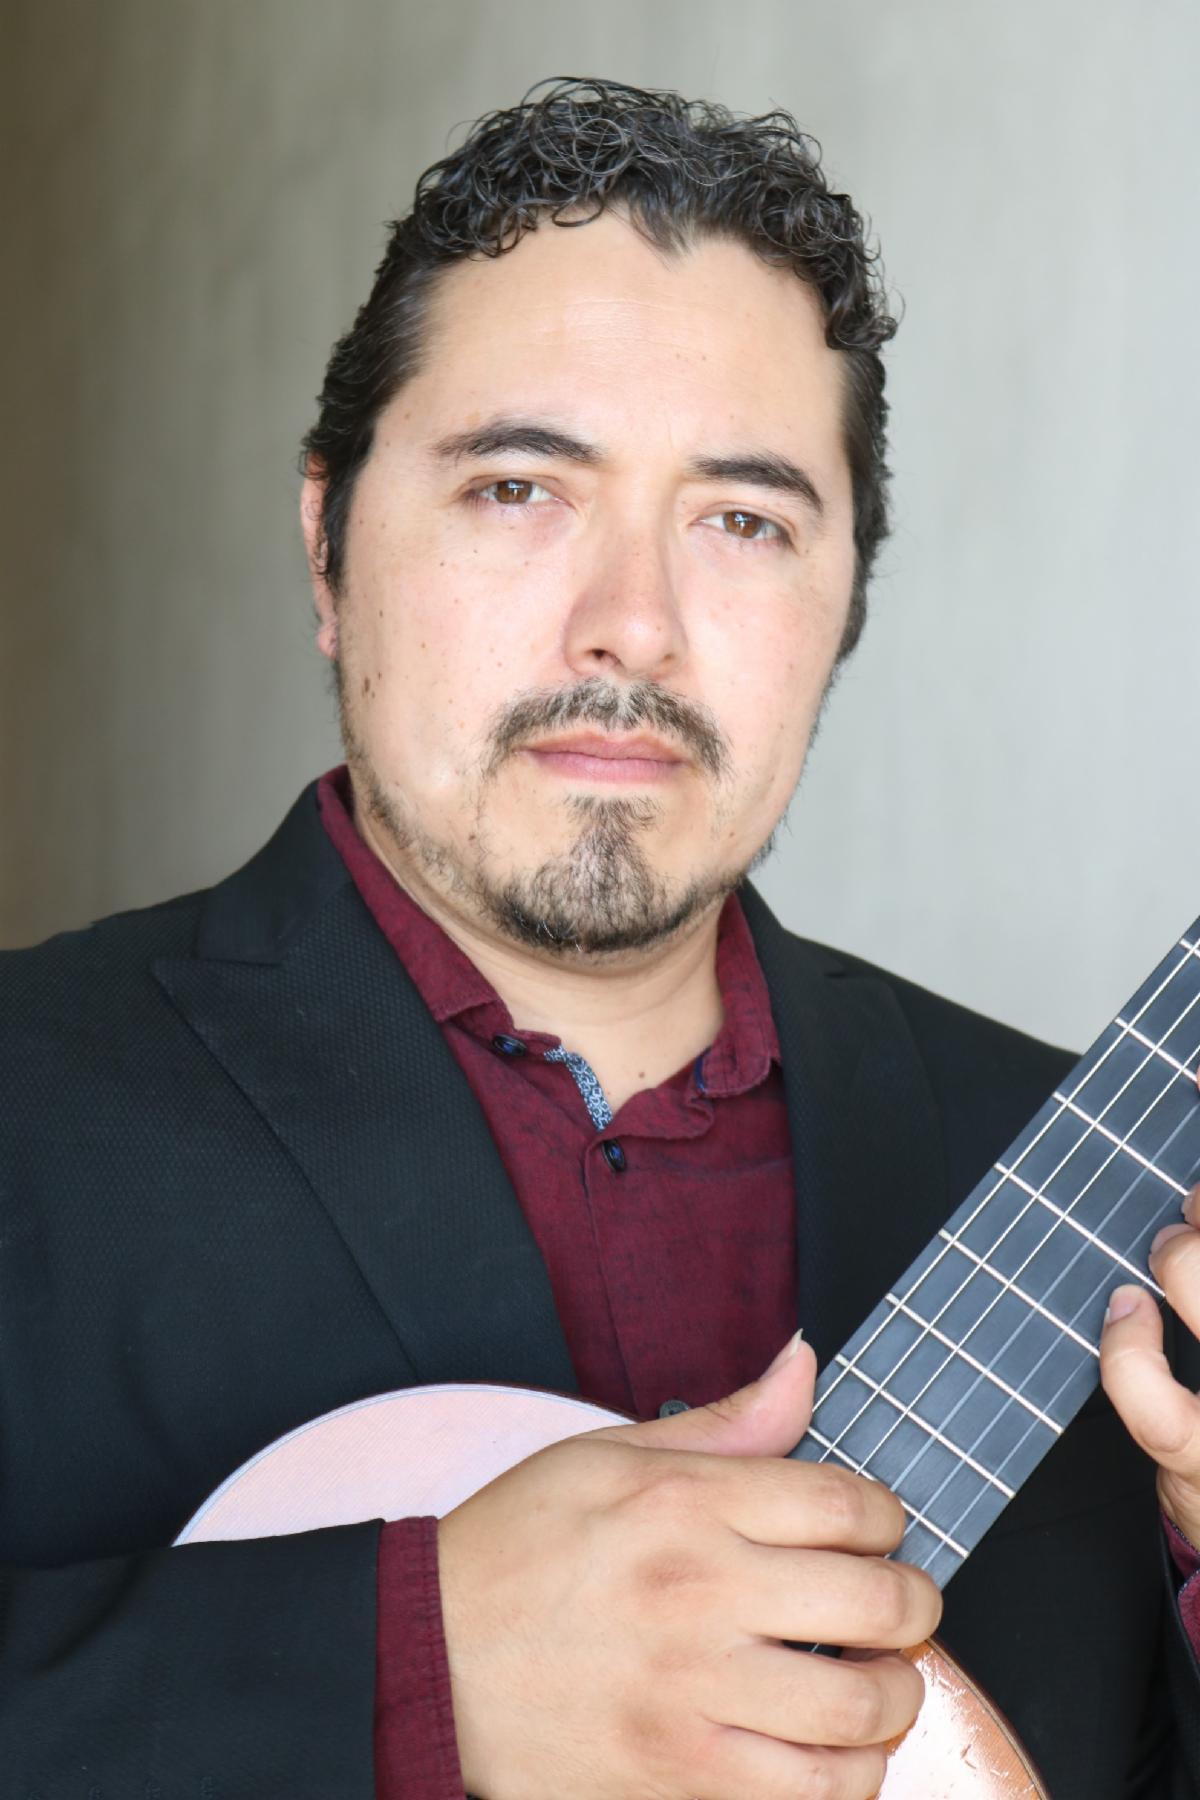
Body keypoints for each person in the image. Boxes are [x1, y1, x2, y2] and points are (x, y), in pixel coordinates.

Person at [2, 76, 1199, 1799]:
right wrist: (410, 1665)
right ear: (326, 543)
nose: (630, 624)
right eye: (517, 488)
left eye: (743, 521)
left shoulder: (1099, 1197)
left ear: (844, 604)